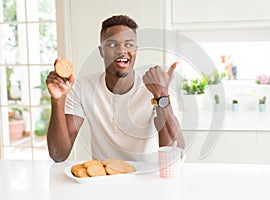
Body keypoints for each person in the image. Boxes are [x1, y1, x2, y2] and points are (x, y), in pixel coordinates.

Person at [46, 15, 185, 162]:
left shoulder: (154, 89)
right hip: (103, 178)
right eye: (112, 45)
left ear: (136, 50)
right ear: (101, 51)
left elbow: (174, 154)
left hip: (146, 179)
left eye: (129, 44)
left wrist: (161, 95)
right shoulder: (82, 88)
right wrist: (58, 100)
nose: (121, 51)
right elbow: (58, 155)